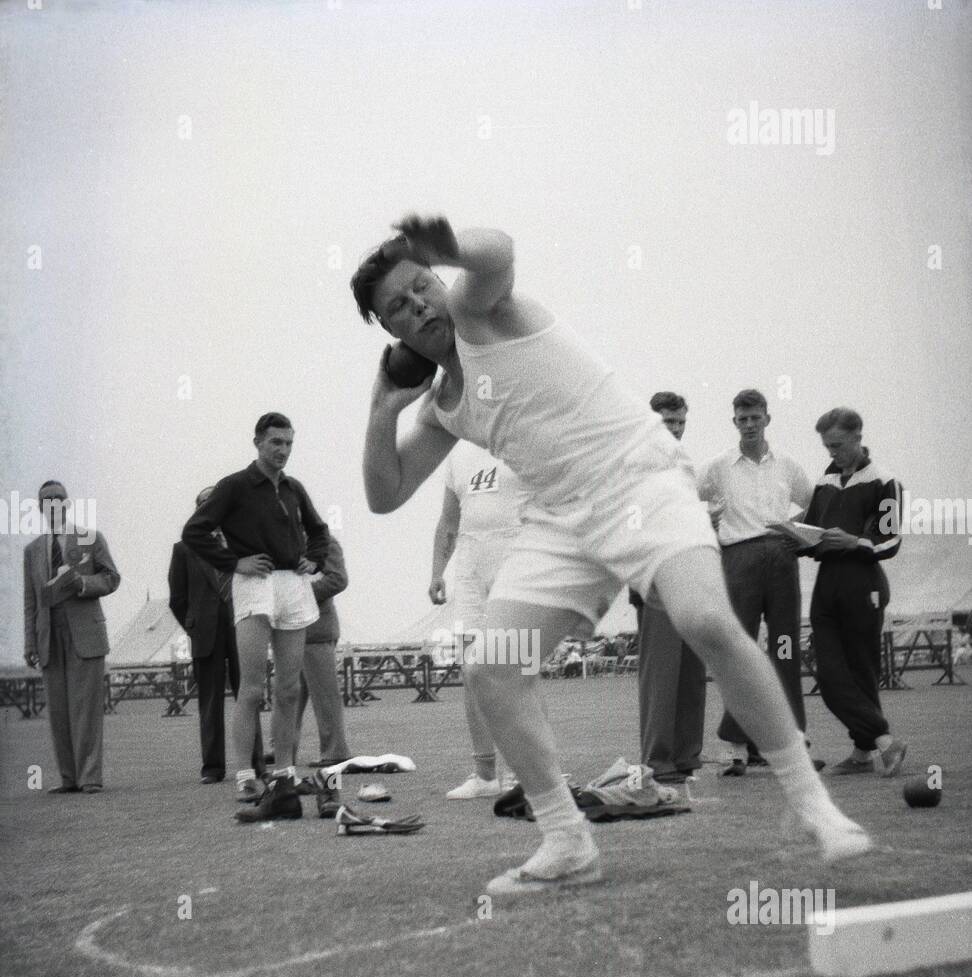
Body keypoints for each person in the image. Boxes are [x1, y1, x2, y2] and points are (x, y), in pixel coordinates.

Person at [351, 217, 871, 895]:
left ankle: (814, 808)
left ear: (439, 279)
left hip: (639, 482)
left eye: (421, 285)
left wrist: (440, 245)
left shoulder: (485, 311)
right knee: (490, 667)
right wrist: (381, 408)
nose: (418, 304)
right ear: (389, 333)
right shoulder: (442, 405)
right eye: (398, 305)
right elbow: (384, 495)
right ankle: (568, 841)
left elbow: (500, 250)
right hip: (561, 522)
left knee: (706, 622)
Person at [182, 413, 329, 820]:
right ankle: (246, 774)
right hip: (254, 584)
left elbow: (319, 531)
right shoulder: (234, 486)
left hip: (292, 586)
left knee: (288, 689)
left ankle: (284, 773)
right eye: (275, 443)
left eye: (288, 444)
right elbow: (194, 531)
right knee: (251, 689)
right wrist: (234, 562)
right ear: (258, 443)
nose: (282, 451)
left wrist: (313, 561)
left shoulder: (294, 488)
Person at [698, 389, 816, 775]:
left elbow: (816, 501)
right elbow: (685, 498)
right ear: (734, 422)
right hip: (739, 560)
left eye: (755, 417)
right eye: (742, 419)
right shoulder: (718, 467)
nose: (749, 425)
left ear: (767, 418)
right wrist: (707, 524)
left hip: (781, 561)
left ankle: (792, 743)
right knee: (738, 650)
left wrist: (796, 532)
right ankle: (736, 747)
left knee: (785, 649)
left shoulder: (788, 466)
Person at [800, 408, 906, 776]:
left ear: (858, 437)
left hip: (864, 583)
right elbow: (812, 532)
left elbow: (890, 540)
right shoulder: (825, 479)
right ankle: (884, 742)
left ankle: (864, 753)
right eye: (828, 447)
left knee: (862, 672)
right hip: (827, 583)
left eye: (839, 446)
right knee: (829, 676)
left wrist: (855, 541)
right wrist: (795, 537)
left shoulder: (885, 480)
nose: (833, 453)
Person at [428, 444, 521, 798]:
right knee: (473, 672)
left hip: (515, 557)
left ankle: (521, 773)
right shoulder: (457, 454)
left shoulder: (521, 437)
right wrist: (438, 571)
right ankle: (485, 775)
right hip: (469, 566)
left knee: (519, 669)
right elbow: (449, 522)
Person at [628, 392, 708, 795]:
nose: (675, 429)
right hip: (654, 574)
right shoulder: (634, 462)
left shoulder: (686, 464)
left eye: (680, 422)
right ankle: (657, 761)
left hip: (690, 570)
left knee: (692, 672)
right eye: (668, 422)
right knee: (661, 674)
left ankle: (686, 756)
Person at [23, 480, 121, 793]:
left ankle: (89, 777)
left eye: (58, 499)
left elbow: (112, 577)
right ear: (39, 508)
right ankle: (68, 778)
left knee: (86, 708)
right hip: (48, 636)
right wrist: (29, 643)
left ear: (67, 504)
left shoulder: (92, 539)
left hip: (85, 631)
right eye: (46, 500)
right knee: (59, 711)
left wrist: (82, 583)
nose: (52, 504)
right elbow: (30, 602)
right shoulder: (32, 550)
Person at [168, 487, 265, 784]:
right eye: (204, 504)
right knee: (209, 703)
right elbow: (177, 599)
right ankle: (212, 768)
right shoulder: (184, 549)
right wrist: (195, 628)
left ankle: (256, 765)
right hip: (205, 635)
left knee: (248, 696)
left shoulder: (240, 544)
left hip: (242, 628)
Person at [295, 528, 352, 768]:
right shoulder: (288, 539)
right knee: (289, 694)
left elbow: (338, 579)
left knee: (325, 697)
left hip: (317, 630)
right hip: (294, 630)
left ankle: (335, 751)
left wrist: (298, 595)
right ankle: (282, 750)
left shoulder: (325, 541)